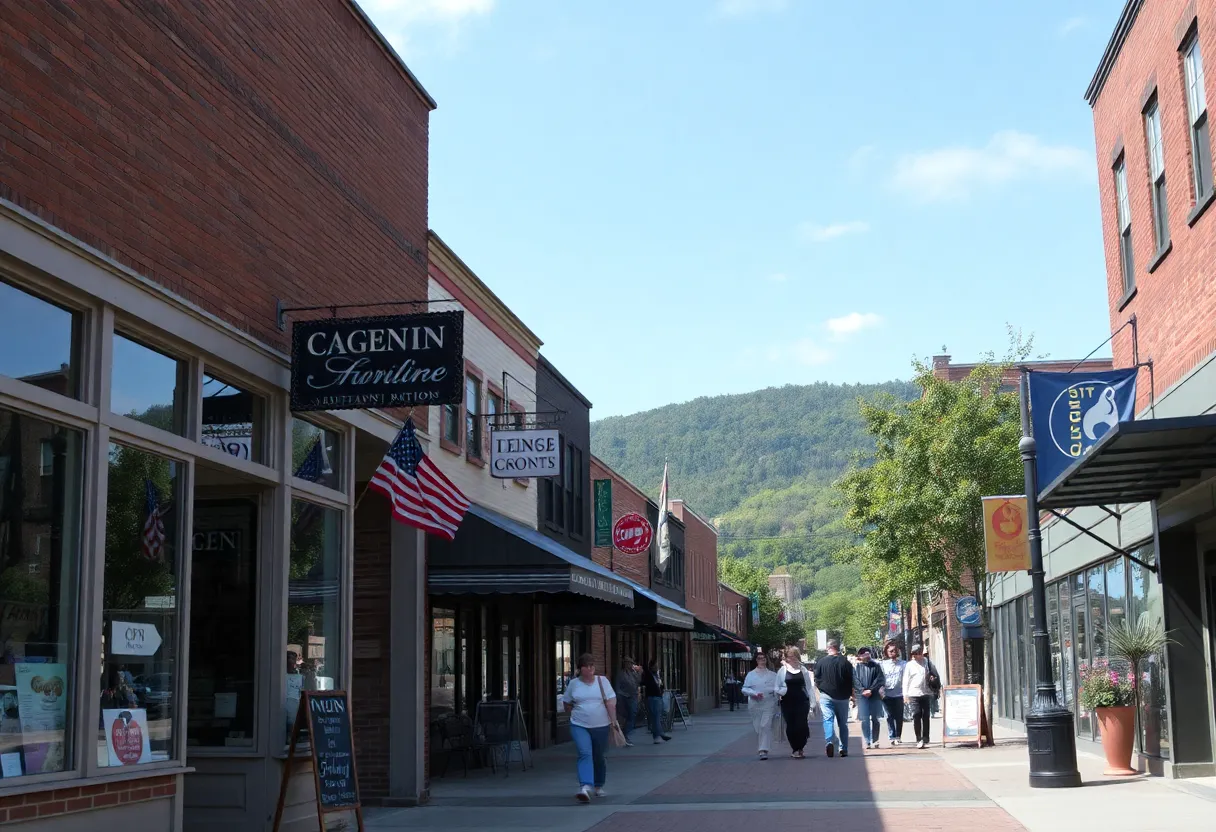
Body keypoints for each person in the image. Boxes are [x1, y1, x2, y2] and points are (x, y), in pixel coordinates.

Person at [561, 653, 618, 802]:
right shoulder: (574, 684)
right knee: (585, 753)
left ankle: (598, 785)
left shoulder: (602, 681)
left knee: (599, 756)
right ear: (580, 669)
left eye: (592, 665)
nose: (590, 668)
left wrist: (614, 722)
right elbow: (566, 702)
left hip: (601, 725)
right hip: (579, 725)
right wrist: (574, 712)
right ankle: (585, 787)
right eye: (587, 666)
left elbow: (611, 702)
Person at [814, 638, 854, 758]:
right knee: (843, 723)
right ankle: (843, 749)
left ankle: (830, 741)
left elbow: (817, 679)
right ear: (838, 648)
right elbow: (851, 679)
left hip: (826, 696)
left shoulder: (821, 662)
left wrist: (821, 690)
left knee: (828, 719)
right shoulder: (846, 662)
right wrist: (852, 694)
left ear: (829, 648)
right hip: (842, 697)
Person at [775, 646, 815, 758]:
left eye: (793, 656)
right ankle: (794, 748)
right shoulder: (782, 671)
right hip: (787, 701)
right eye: (789, 657)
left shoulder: (803, 670)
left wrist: (812, 702)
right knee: (791, 726)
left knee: (801, 724)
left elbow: (809, 686)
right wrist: (781, 692)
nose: (791, 659)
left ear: (797, 656)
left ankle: (801, 746)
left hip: (802, 701)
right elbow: (776, 687)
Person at [742, 652, 779, 759]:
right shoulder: (751, 675)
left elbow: (778, 688)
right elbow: (744, 688)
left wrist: (778, 695)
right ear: (756, 660)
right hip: (755, 704)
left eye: (764, 658)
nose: (762, 660)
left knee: (765, 725)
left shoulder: (773, 675)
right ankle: (763, 745)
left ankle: (763, 750)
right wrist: (753, 693)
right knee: (758, 727)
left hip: (769, 703)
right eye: (759, 658)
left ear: (766, 660)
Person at [902, 644, 939, 748]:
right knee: (916, 715)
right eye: (916, 654)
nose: (919, 656)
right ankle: (919, 738)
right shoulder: (909, 665)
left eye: (919, 653)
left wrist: (932, 679)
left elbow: (933, 674)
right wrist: (905, 695)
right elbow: (905, 680)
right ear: (913, 655)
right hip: (913, 693)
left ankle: (926, 737)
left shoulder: (926, 662)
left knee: (926, 715)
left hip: (925, 692)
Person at [852, 647, 885, 749]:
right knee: (865, 719)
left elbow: (880, 679)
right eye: (864, 654)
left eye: (868, 654)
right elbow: (855, 681)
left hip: (874, 695)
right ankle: (867, 740)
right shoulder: (856, 668)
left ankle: (875, 740)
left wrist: (871, 690)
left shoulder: (876, 666)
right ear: (860, 656)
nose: (867, 656)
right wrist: (862, 690)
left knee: (875, 718)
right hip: (862, 697)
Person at [879, 642, 907, 745]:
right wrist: (881, 691)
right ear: (886, 652)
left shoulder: (903, 664)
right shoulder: (883, 664)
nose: (893, 652)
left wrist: (906, 693)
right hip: (886, 694)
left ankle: (898, 736)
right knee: (889, 716)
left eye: (895, 650)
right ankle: (892, 736)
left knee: (899, 716)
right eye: (890, 651)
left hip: (899, 693)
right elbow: (880, 679)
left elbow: (906, 678)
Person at [641, 659, 672, 744]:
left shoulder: (657, 675)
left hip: (658, 697)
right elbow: (645, 682)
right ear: (651, 667)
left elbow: (660, 685)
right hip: (652, 697)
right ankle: (658, 735)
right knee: (656, 717)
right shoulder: (648, 675)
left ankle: (659, 735)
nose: (657, 667)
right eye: (655, 666)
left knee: (657, 717)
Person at [614, 656, 640, 747]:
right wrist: (619, 697)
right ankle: (625, 734)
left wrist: (638, 672)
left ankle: (626, 733)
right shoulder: (622, 674)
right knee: (629, 715)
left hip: (633, 696)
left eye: (631, 663)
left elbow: (638, 682)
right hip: (625, 697)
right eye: (629, 663)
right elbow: (618, 687)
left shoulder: (633, 673)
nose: (630, 665)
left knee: (632, 715)